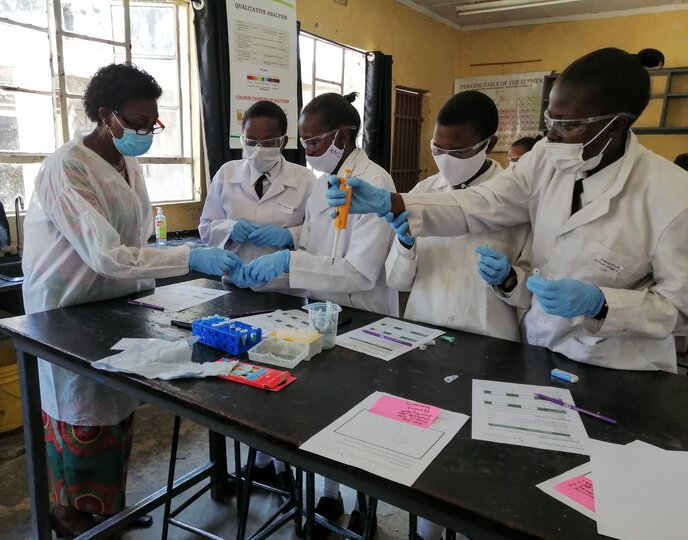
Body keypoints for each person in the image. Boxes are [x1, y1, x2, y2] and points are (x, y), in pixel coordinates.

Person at [327, 47, 688, 373]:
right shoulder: (545, 158)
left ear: (618, 123)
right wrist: (395, 202)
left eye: (569, 125)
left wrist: (602, 304)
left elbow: (680, 311)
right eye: (551, 121)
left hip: (621, 366)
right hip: (541, 348)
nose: (553, 136)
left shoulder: (671, 195)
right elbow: (483, 202)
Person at [21, 63, 242, 537]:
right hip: (67, 308)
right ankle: (69, 515)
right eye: (139, 122)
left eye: (153, 123)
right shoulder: (67, 168)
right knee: (78, 413)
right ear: (107, 115)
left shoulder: (129, 162)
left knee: (117, 407)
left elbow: (134, 239)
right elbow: (105, 254)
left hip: (115, 304)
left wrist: (166, 274)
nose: (147, 132)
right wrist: (191, 258)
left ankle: (106, 510)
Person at [243, 92, 398, 538]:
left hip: (362, 319)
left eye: (312, 143)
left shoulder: (376, 185)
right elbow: (314, 235)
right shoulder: (323, 180)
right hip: (318, 311)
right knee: (318, 413)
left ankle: (364, 506)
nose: (306, 152)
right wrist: (284, 237)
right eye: (305, 143)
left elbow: (360, 273)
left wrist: (290, 265)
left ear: (342, 137)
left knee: (354, 418)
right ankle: (328, 495)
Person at [385, 91, 531, 347]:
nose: (446, 159)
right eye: (438, 149)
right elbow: (397, 281)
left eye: (459, 152)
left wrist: (509, 279)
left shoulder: (515, 201)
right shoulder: (422, 194)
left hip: (488, 342)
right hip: (422, 334)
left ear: (489, 143)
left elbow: (532, 295)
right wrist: (405, 245)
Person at [198, 100, 315, 287]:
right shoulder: (226, 174)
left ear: (283, 141)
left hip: (286, 288)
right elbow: (206, 228)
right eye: (251, 142)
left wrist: (289, 235)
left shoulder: (306, 180)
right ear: (243, 140)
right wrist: (229, 229)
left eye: (268, 142)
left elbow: (317, 232)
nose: (258, 149)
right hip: (234, 281)